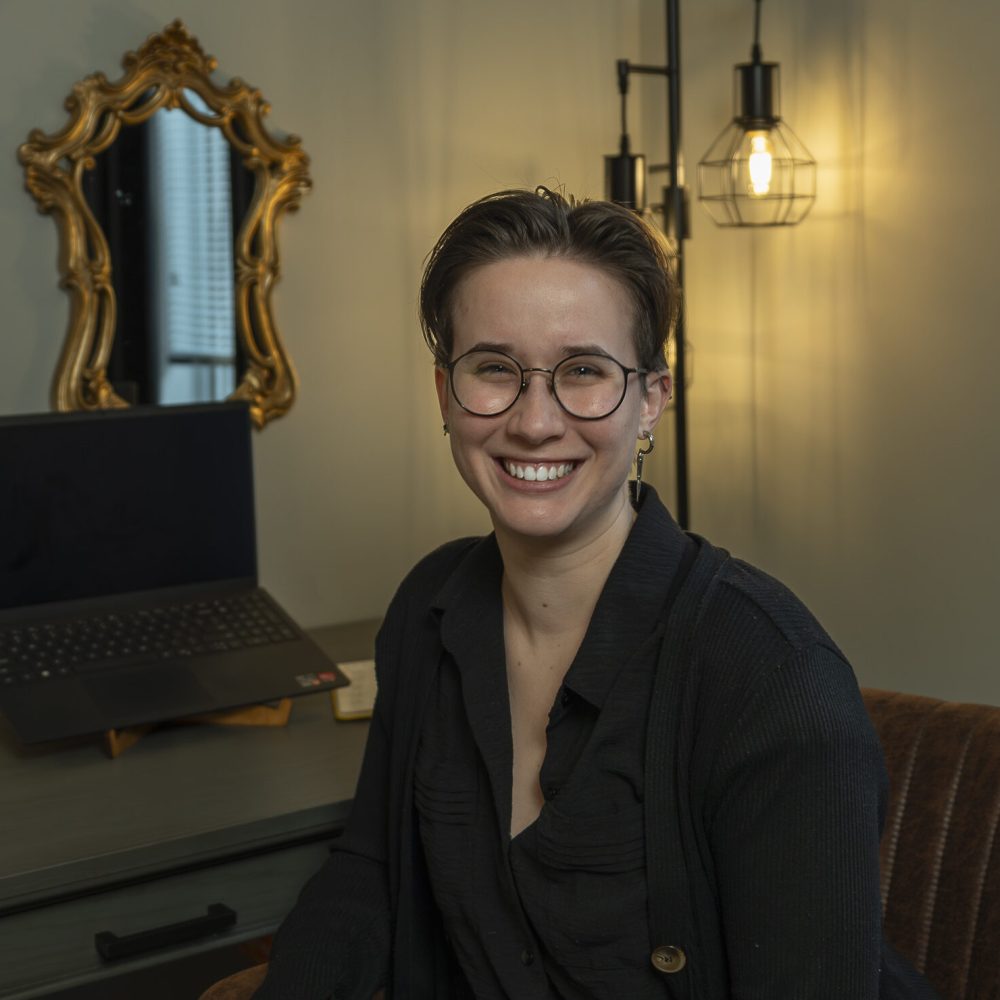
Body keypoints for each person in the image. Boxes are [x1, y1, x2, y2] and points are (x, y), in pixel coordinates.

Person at [256, 188, 940, 998]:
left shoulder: (774, 680)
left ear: (652, 398)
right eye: (494, 370)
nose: (535, 421)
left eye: (583, 372)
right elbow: (367, 876)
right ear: (446, 395)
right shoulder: (426, 608)